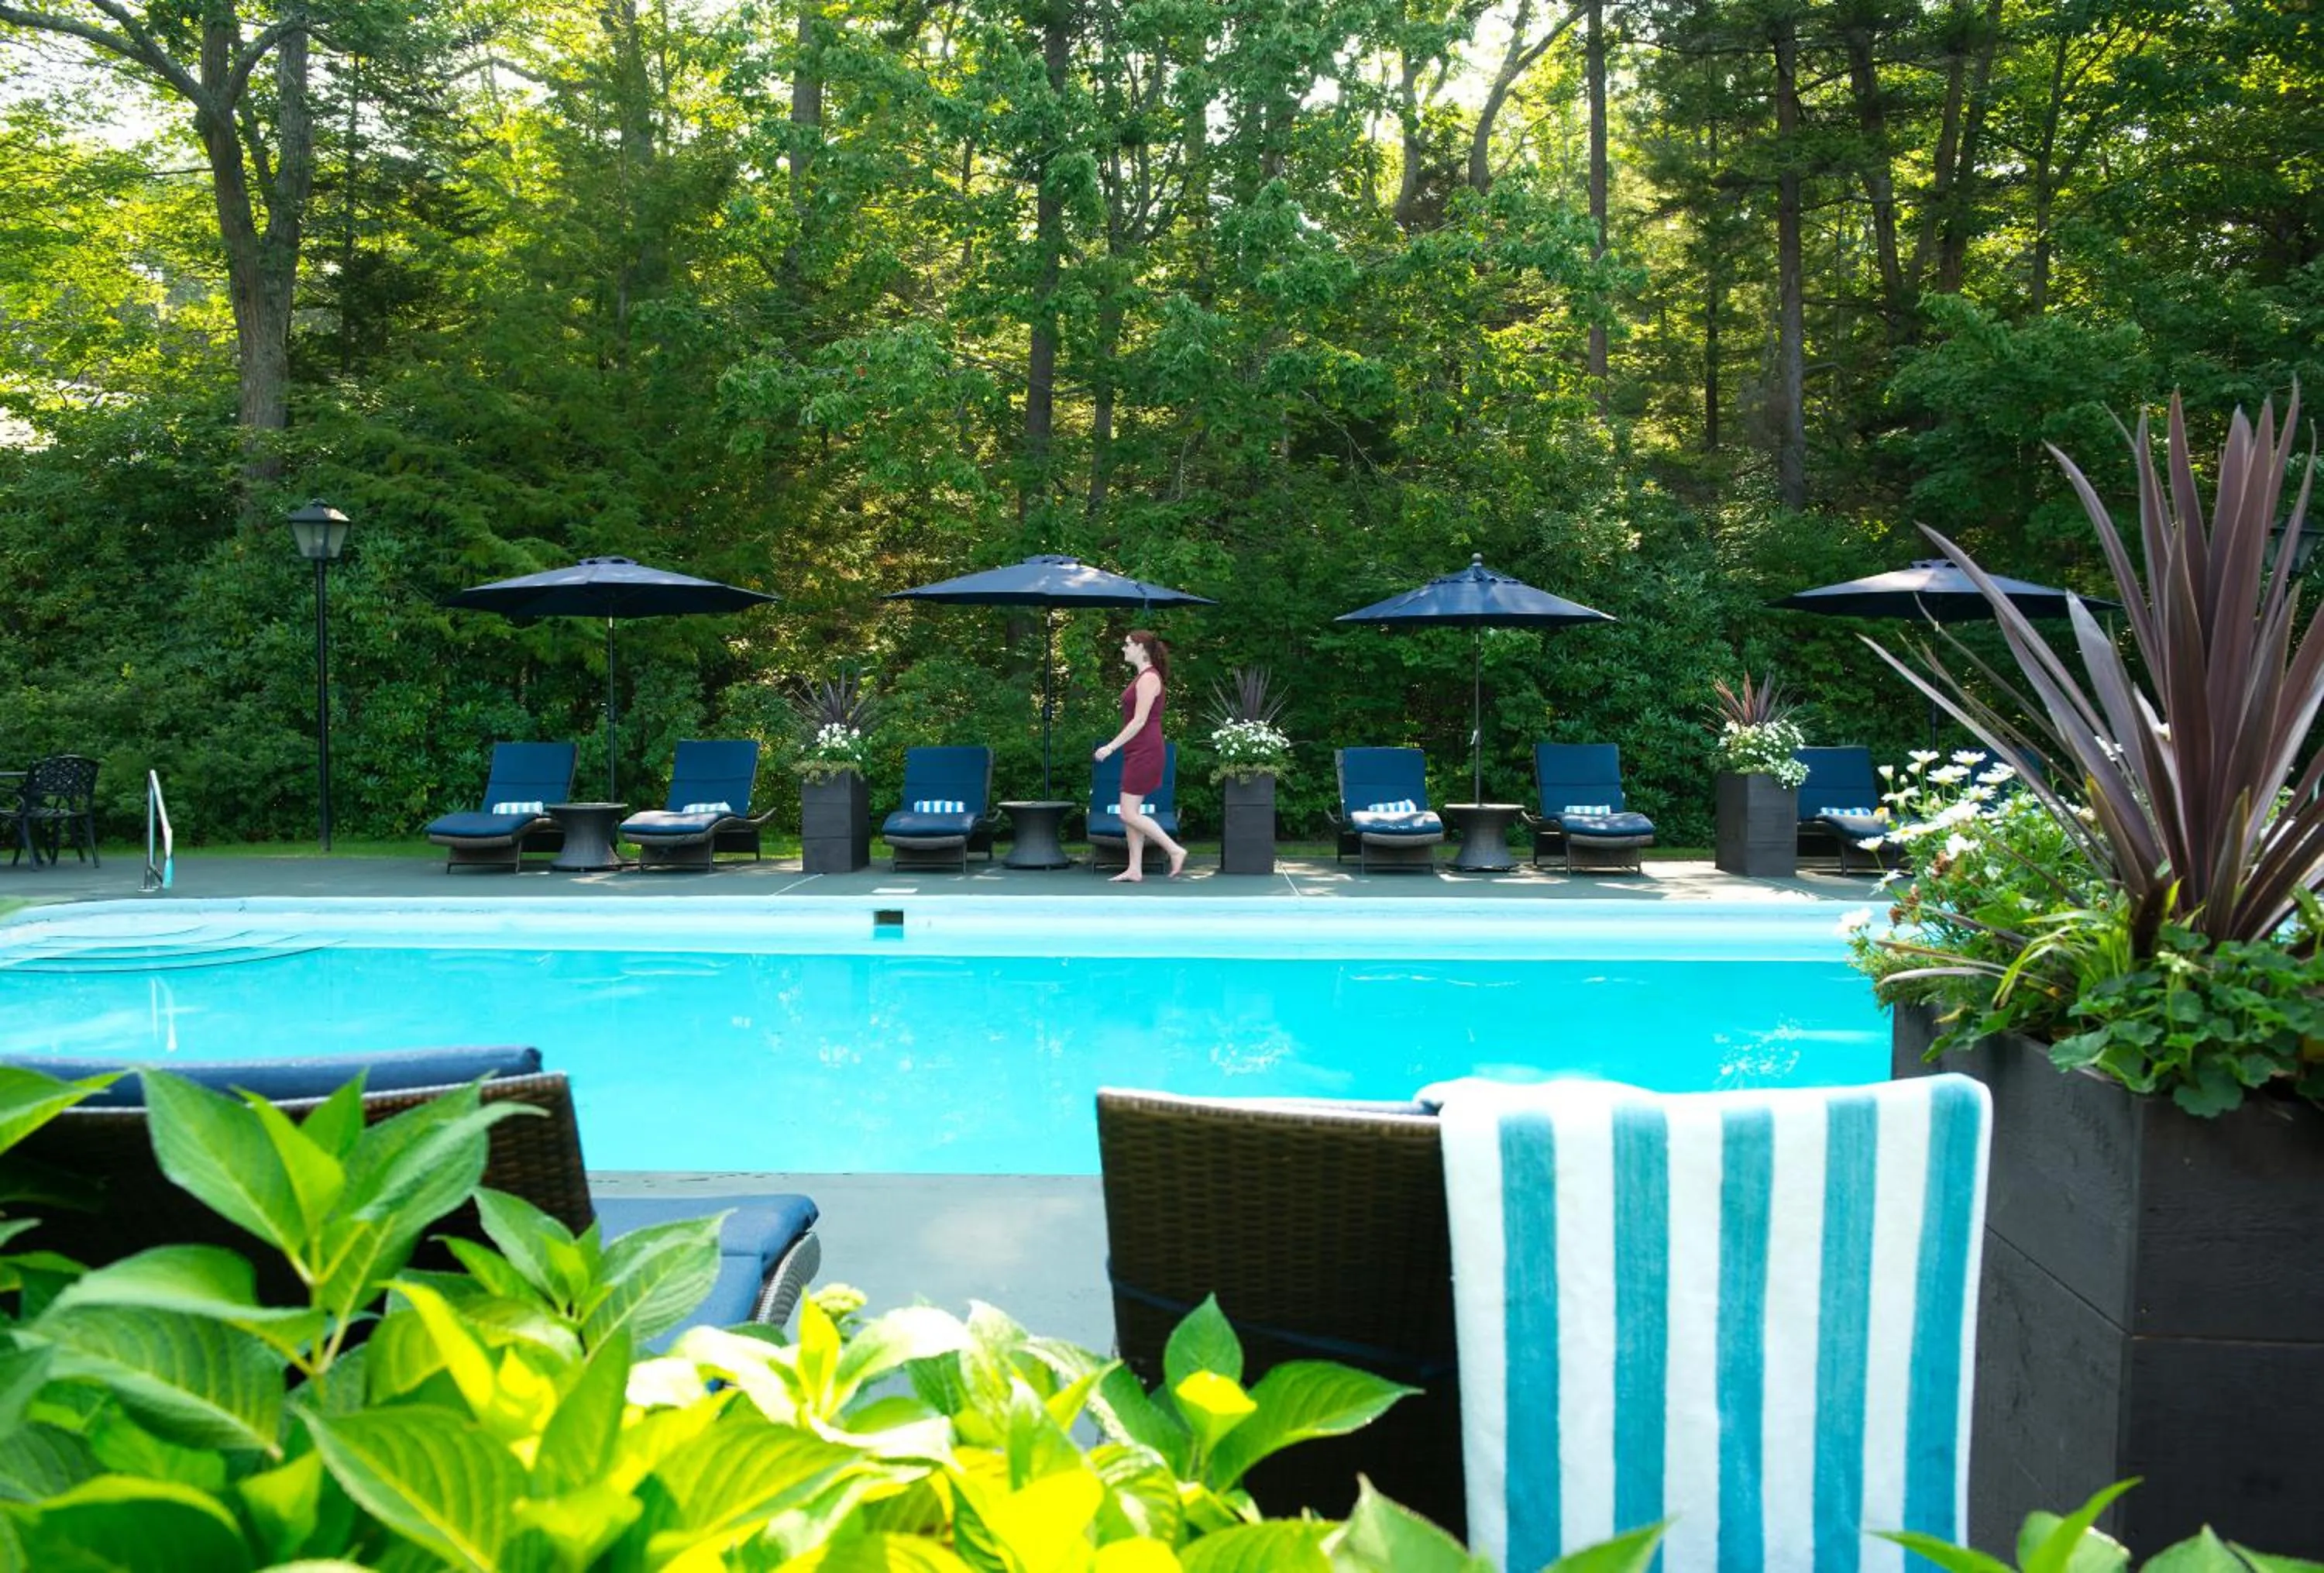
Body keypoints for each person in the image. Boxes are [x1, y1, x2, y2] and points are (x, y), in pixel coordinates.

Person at [1093, 629, 1188, 882]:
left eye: (1127, 645)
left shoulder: (1148, 679)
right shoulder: (1142, 677)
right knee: (1130, 811)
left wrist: (1111, 747)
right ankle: (1135, 868)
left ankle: (1174, 849)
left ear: (1141, 648)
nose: (1123, 649)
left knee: (1128, 814)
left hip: (1146, 749)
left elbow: (1139, 721)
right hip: (1138, 750)